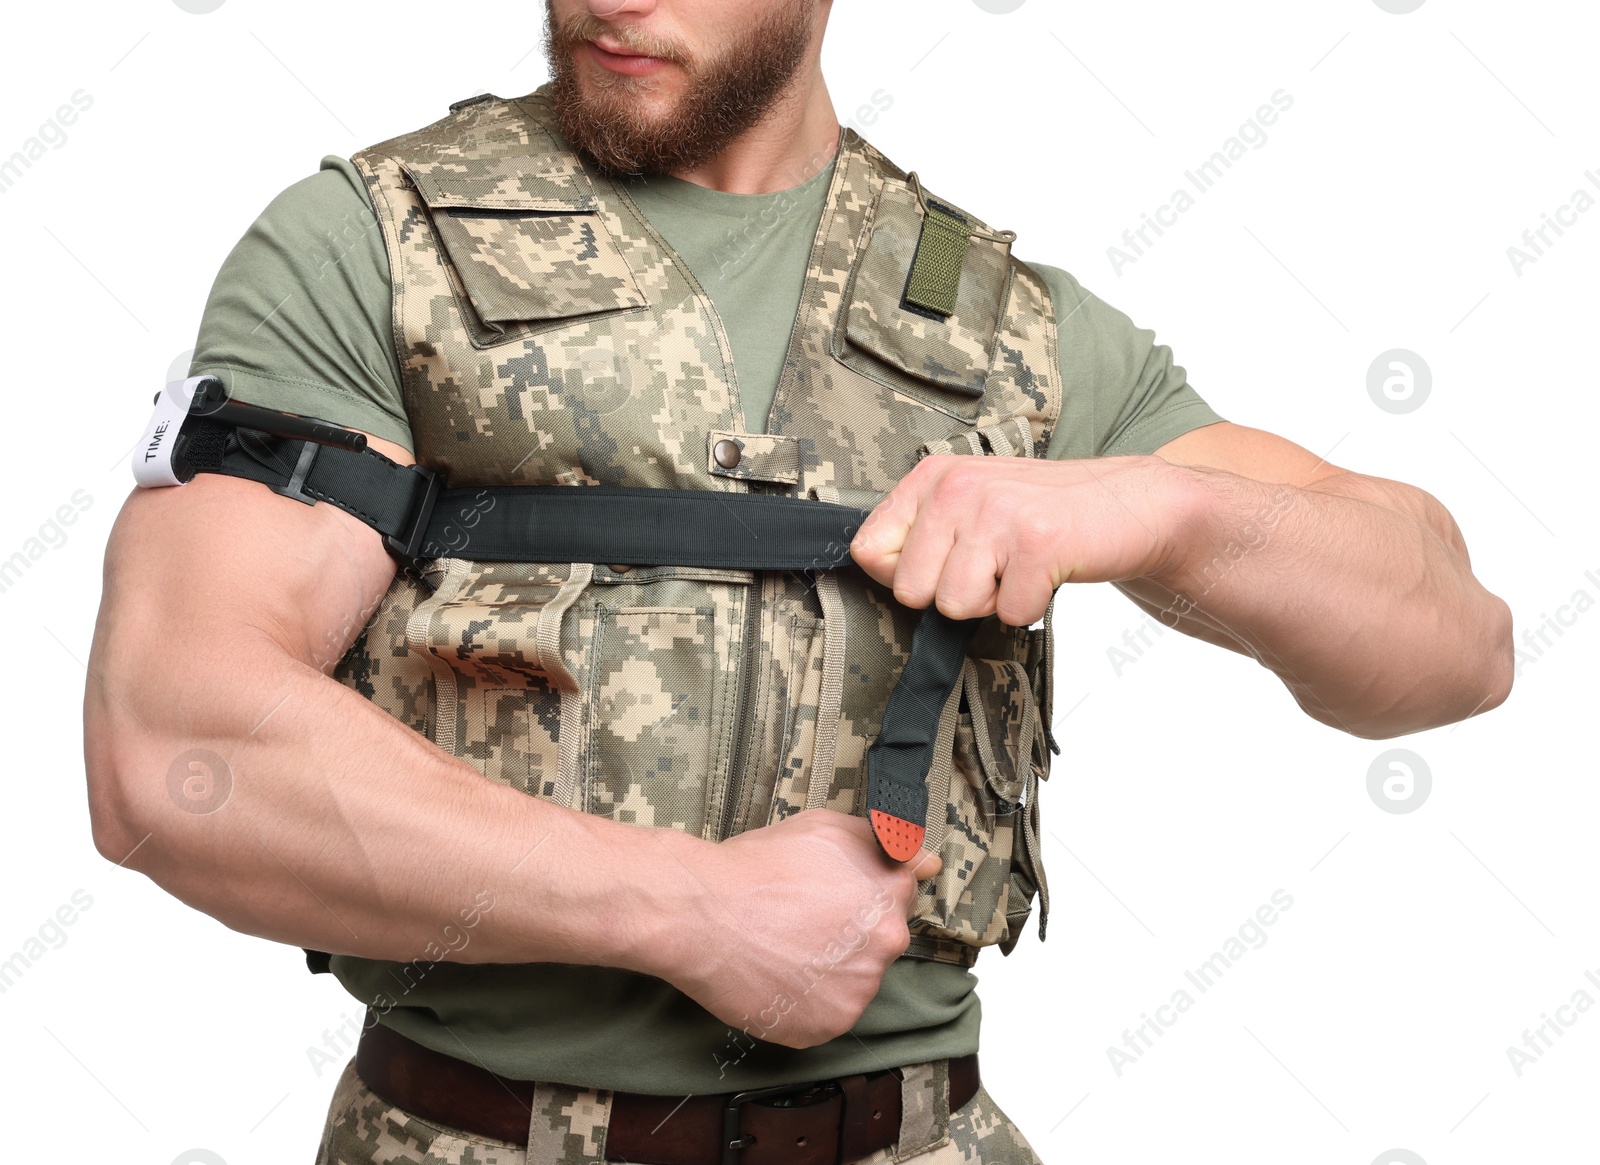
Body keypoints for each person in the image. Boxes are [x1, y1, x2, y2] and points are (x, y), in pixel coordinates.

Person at [81, 2, 1514, 1163]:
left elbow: (1453, 642)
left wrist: (1158, 507)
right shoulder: (367, 254)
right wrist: (688, 908)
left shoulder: (1005, 329)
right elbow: (175, 748)